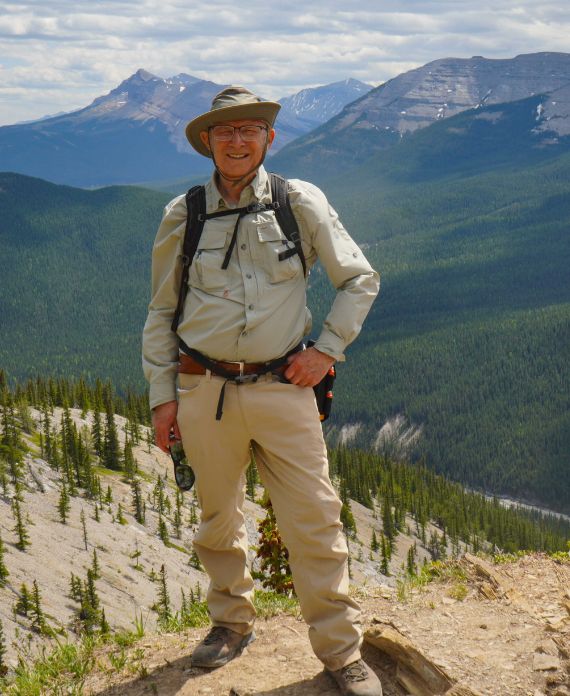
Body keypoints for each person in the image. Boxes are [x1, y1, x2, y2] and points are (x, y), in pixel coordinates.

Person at [142, 86, 381, 695]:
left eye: (249, 129)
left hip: (283, 386)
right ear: (207, 142)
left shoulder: (298, 202)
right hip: (202, 388)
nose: (237, 141)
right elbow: (162, 311)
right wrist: (163, 398)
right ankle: (231, 624)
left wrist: (326, 350)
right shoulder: (184, 214)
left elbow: (359, 279)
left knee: (315, 518)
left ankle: (340, 651)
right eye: (225, 131)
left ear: (269, 138)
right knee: (218, 518)